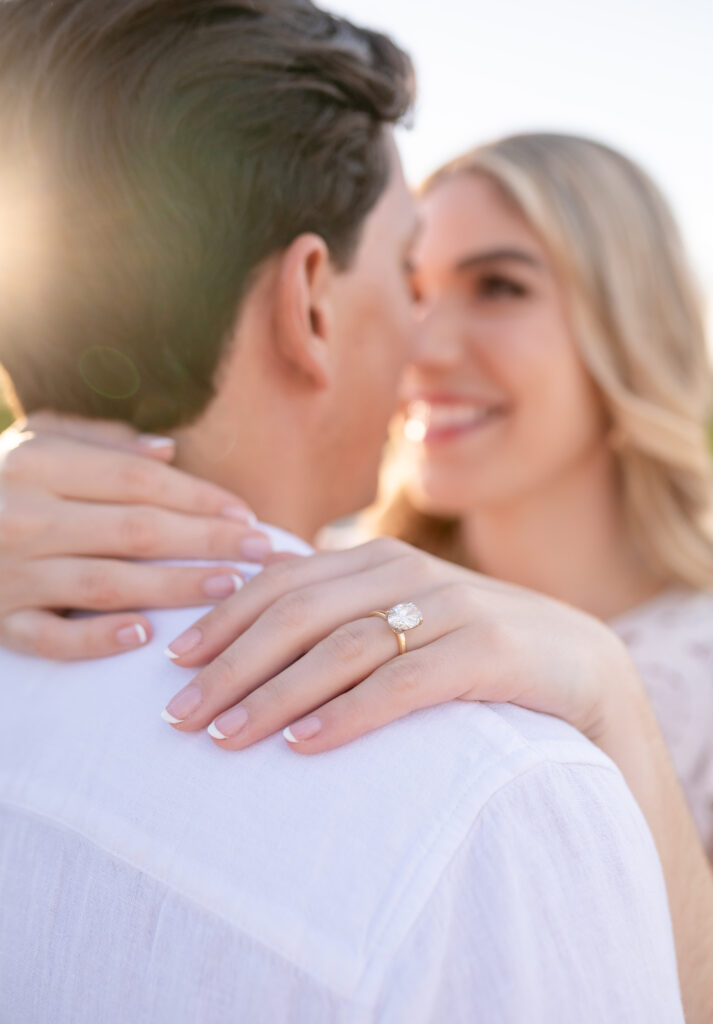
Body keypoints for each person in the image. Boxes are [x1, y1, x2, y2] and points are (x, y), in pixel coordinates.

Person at [0, 1, 688, 1022]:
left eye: (496, 286)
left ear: (628, 326)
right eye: (412, 279)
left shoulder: (562, 745)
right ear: (313, 301)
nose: (428, 339)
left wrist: (608, 693)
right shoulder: (342, 605)